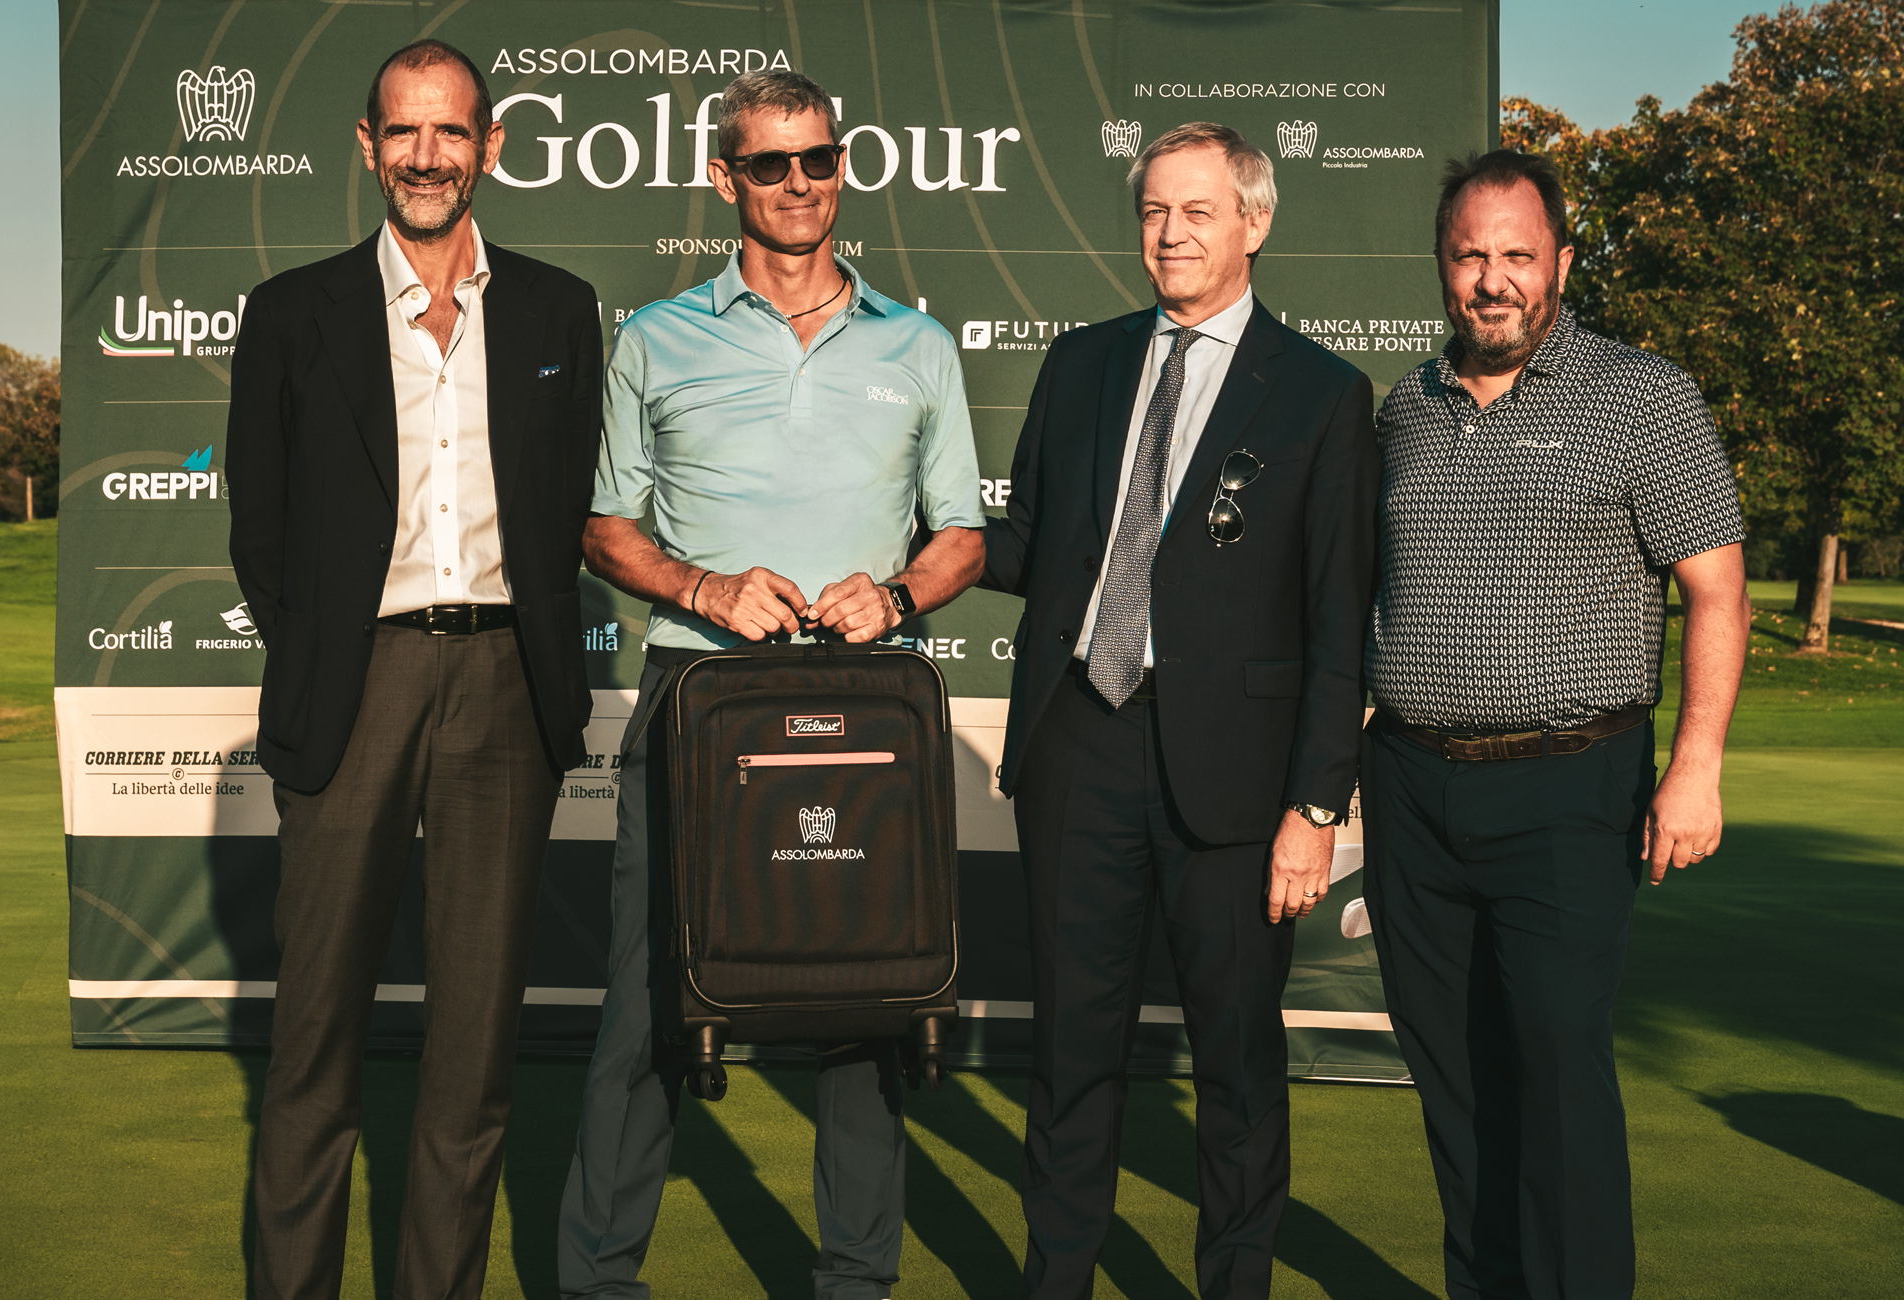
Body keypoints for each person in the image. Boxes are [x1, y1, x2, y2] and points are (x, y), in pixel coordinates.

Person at [556, 69, 985, 1300]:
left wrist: (894, 596)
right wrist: (702, 586)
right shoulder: (656, 336)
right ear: (724, 177)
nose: (800, 183)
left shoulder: (918, 343)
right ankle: (598, 1282)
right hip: (695, 702)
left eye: (820, 159)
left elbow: (962, 534)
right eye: (770, 163)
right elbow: (603, 528)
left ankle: (856, 1281)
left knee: (863, 996)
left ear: (841, 166)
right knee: (649, 995)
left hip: (866, 708)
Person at [225, 40, 602, 1300]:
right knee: (313, 1043)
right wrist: (326, 656)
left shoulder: (558, 309)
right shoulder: (293, 312)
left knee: (473, 1054)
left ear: (490, 147)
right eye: (404, 131)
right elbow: (260, 532)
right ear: (368, 146)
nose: (426, 156)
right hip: (356, 688)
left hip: (506, 690)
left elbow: (568, 509)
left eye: (450, 133)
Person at [978, 122, 1379, 1300]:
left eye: (1197, 211)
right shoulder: (1082, 363)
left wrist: (1317, 804)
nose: (1170, 234)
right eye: (1154, 210)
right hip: (1078, 742)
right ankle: (1056, 1280)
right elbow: (1030, 543)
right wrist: (907, 533)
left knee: (1238, 1064)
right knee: (1070, 1052)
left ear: (1255, 222)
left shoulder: (1322, 393)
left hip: (1239, 775)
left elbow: (1338, 619)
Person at [1363, 149, 1749, 1300]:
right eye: (1470, 255)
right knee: (1454, 1084)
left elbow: (1718, 590)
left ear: (1563, 264)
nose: (1493, 280)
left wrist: (1697, 767)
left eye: (1517, 255)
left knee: (1560, 1080)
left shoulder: (1642, 395)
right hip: (1411, 790)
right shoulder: (1405, 409)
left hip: (1569, 788)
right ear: (1442, 265)